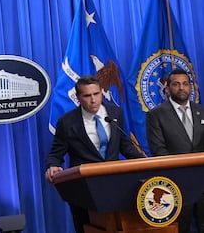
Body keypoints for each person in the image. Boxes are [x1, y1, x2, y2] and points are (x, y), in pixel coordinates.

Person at [45, 75, 145, 233]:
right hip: (84, 190)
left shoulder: (115, 113)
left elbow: (125, 146)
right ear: (78, 98)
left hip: (114, 185)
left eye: (96, 94)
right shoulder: (67, 122)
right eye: (87, 96)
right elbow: (55, 154)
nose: (93, 100)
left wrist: (146, 163)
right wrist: (53, 166)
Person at [146, 68, 204, 233]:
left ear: (190, 87)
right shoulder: (156, 115)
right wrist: (183, 174)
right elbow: (158, 150)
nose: (182, 88)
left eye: (186, 84)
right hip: (176, 185)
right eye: (176, 84)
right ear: (167, 88)